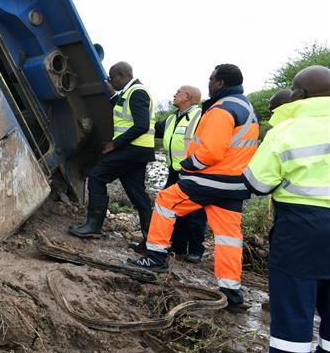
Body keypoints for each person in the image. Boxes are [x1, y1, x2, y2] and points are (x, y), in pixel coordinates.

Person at [130, 64, 259, 306]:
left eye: (211, 79)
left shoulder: (222, 109)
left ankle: (156, 258)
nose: (209, 83)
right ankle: (231, 291)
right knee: (228, 237)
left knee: (165, 202)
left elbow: (210, 152)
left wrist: (188, 165)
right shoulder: (247, 107)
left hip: (209, 179)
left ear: (220, 83)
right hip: (233, 185)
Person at [244, 65, 330, 353]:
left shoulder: (287, 130)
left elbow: (257, 183)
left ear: (302, 94)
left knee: (294, 309)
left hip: (301, 228)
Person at [70, 61, 155, 240]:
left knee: (97, 176)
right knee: (137, 194)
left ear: (121, 75)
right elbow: (125, 112)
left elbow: (141, 125)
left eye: (111, 77)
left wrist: (114, 144)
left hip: (132, 149)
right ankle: (152, 241)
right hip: (137, 150)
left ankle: (93, 226)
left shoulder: (137, 92)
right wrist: (112, 95)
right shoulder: (130, 92)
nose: (110, 81)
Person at [151, 85, 207, 263]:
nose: (174, 95)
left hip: (194, 171)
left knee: (196, 212)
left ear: (188, 97)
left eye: (178, 93)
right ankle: (178, 245)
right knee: (173, 208)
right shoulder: (172, 118)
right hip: (174, 171)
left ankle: (196, 249)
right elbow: (153, 129)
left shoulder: (200, 117)